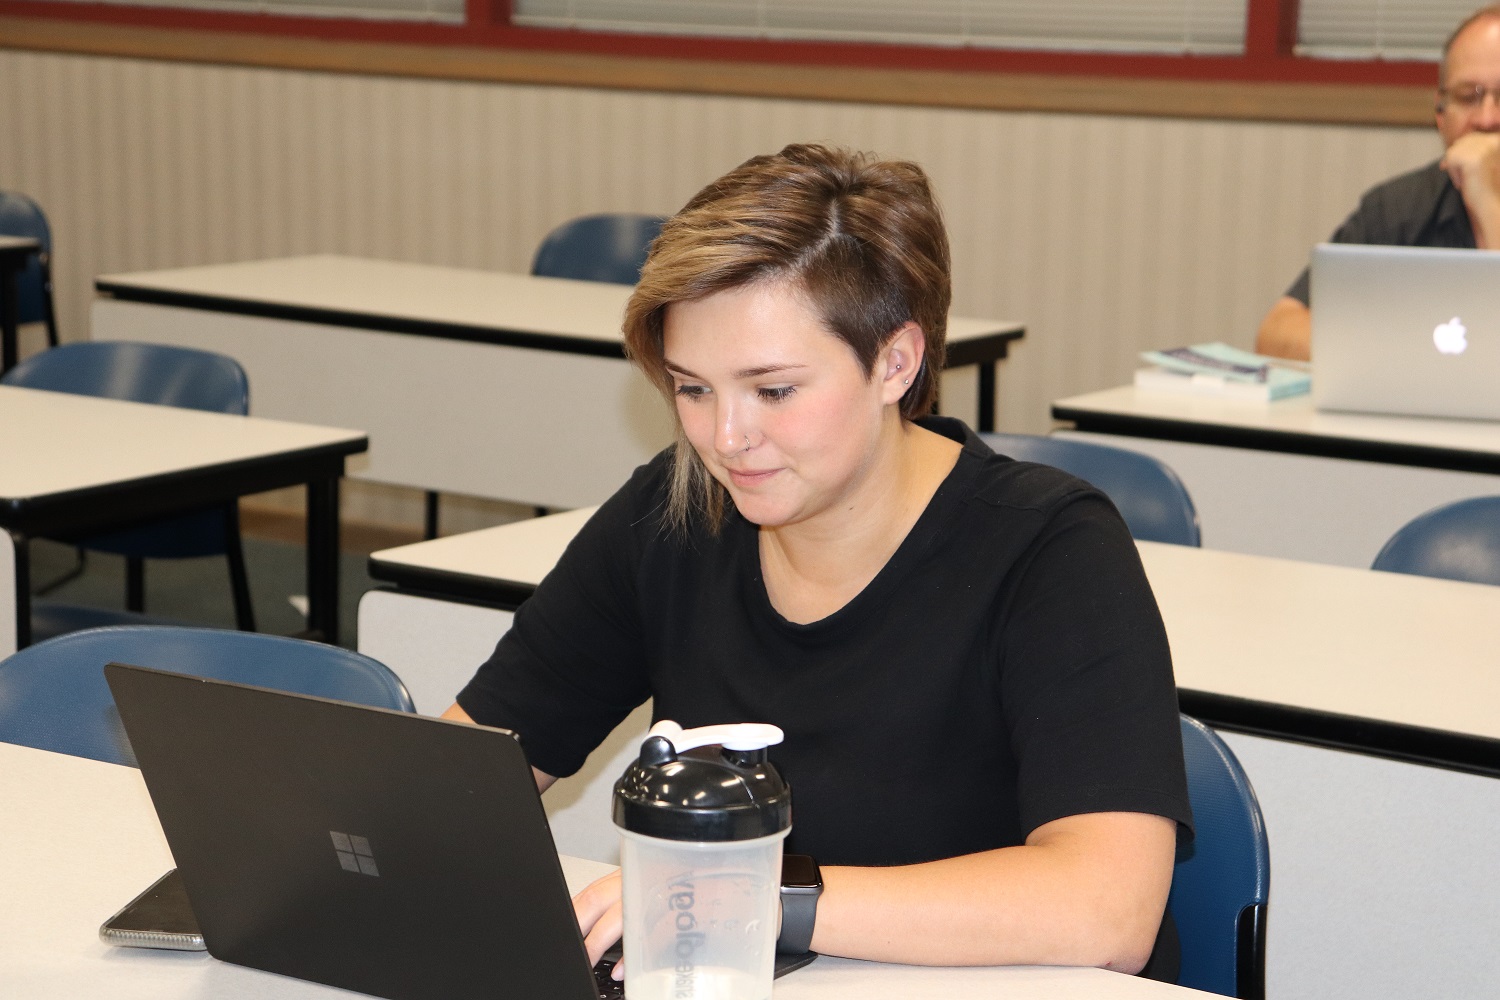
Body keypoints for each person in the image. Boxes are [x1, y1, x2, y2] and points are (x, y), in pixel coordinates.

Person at [444, 144, 1191, 981]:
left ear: (895, 363)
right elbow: (464, 774)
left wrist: (755, 900)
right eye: (693, 388)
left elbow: (1106, 910)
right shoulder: (673, 511)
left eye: (773, 391)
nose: (726, 438)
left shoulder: (1051, 547)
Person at [1257, 4, 1500, 361]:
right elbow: (1278, 332)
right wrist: (1415, 355)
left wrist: (1489, 203)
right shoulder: (1396, 209)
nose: (1487, 119)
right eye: (1468, 97)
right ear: (1440, 114)